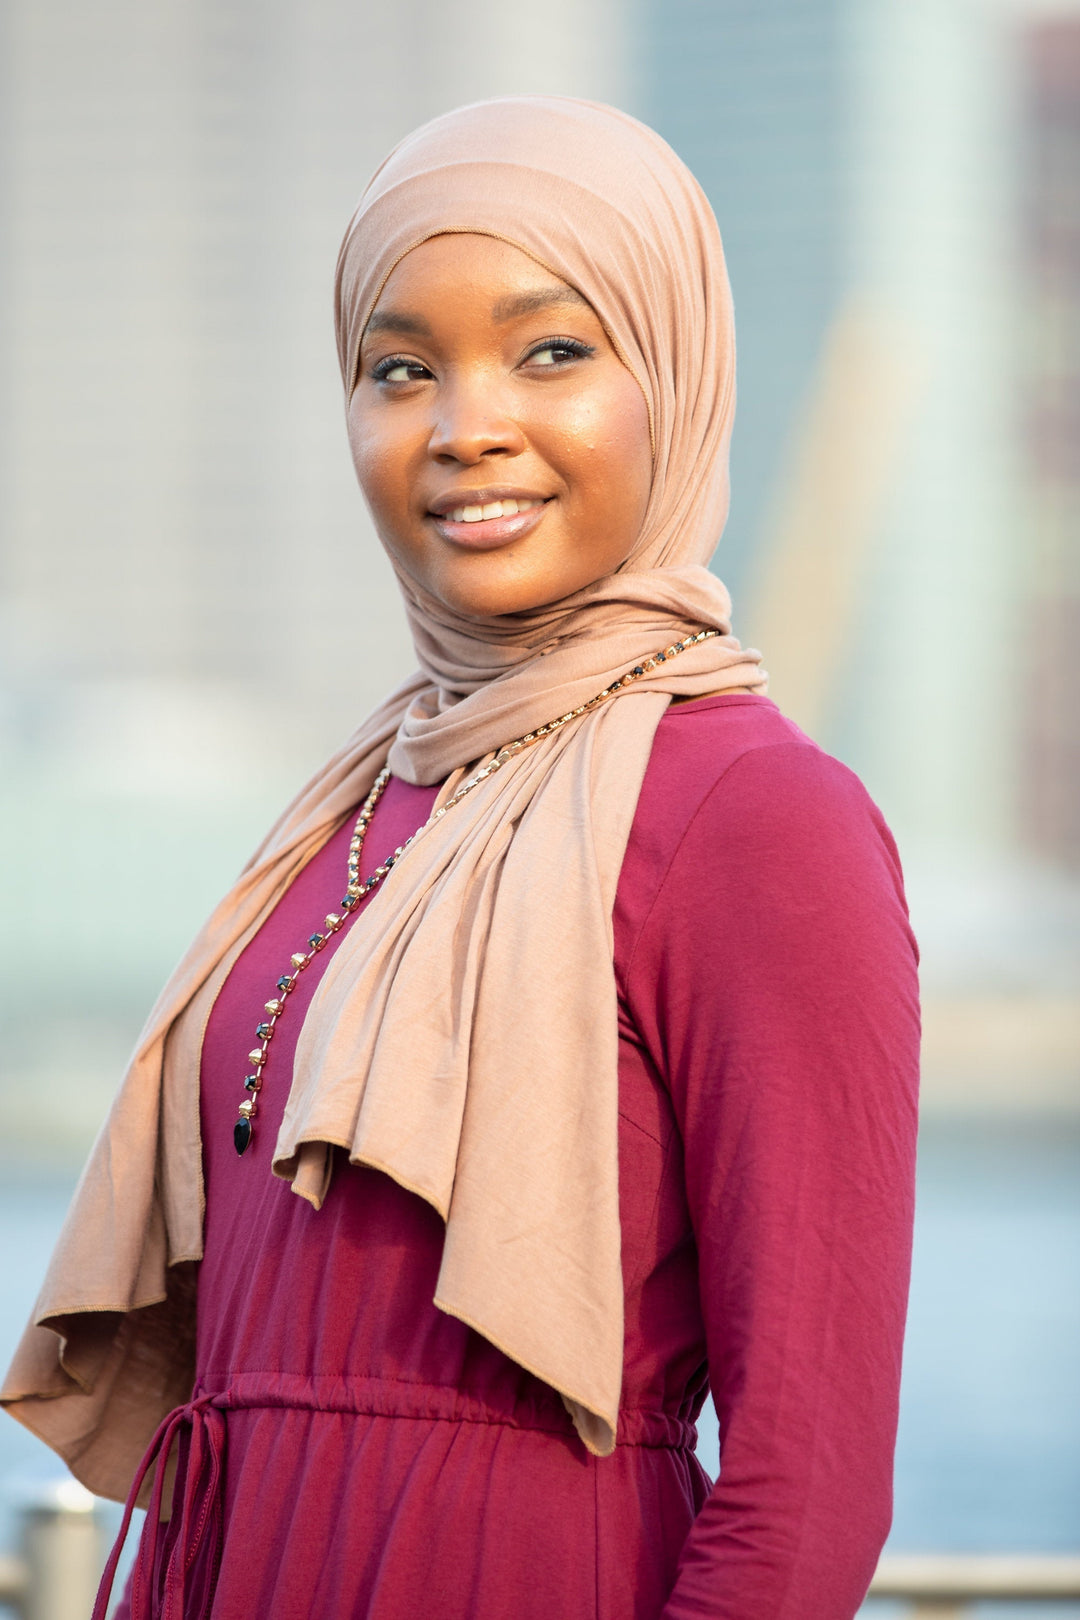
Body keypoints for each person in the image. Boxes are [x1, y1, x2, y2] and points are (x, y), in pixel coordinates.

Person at [1, 97, 920, 1620]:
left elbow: (808, 1478)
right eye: (399, 368)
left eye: (551, 350)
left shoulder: (758, 815)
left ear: (674, 376)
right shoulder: (362, 797)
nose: (462, 425)